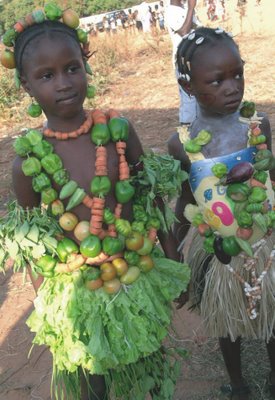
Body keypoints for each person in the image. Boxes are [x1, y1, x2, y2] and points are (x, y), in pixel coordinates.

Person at [0, 4, 189, 400]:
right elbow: (40, 242)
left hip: (133, 266)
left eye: (72, 68)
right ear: (26, 85)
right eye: (46, 75)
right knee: (90, 382)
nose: (64, 82)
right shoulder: (29, 163)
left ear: (87, 66)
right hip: (77, 284)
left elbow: (148, 195)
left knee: (146, 367)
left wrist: (171, 252)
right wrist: (47, 304)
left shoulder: (117, 129)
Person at [168, 26, 275, 400]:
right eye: (217, 80)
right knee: (227, 321)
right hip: (219, 252)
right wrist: (178, 250)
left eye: (238, 74)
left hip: (265, 244)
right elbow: (185, 200)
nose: (232, 87)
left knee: (271, 319)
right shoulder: (180, 144)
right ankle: (238, 384)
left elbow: (271, 174)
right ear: (190, 87)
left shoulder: (257, 126)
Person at [165, 0, 198, 125]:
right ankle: (186, 133)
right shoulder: (170, 11)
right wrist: (191, 8)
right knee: (189, 98)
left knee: (199, 95)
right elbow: (184, 32)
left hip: (195, 59)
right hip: (184, 61)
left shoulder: (183, 8)